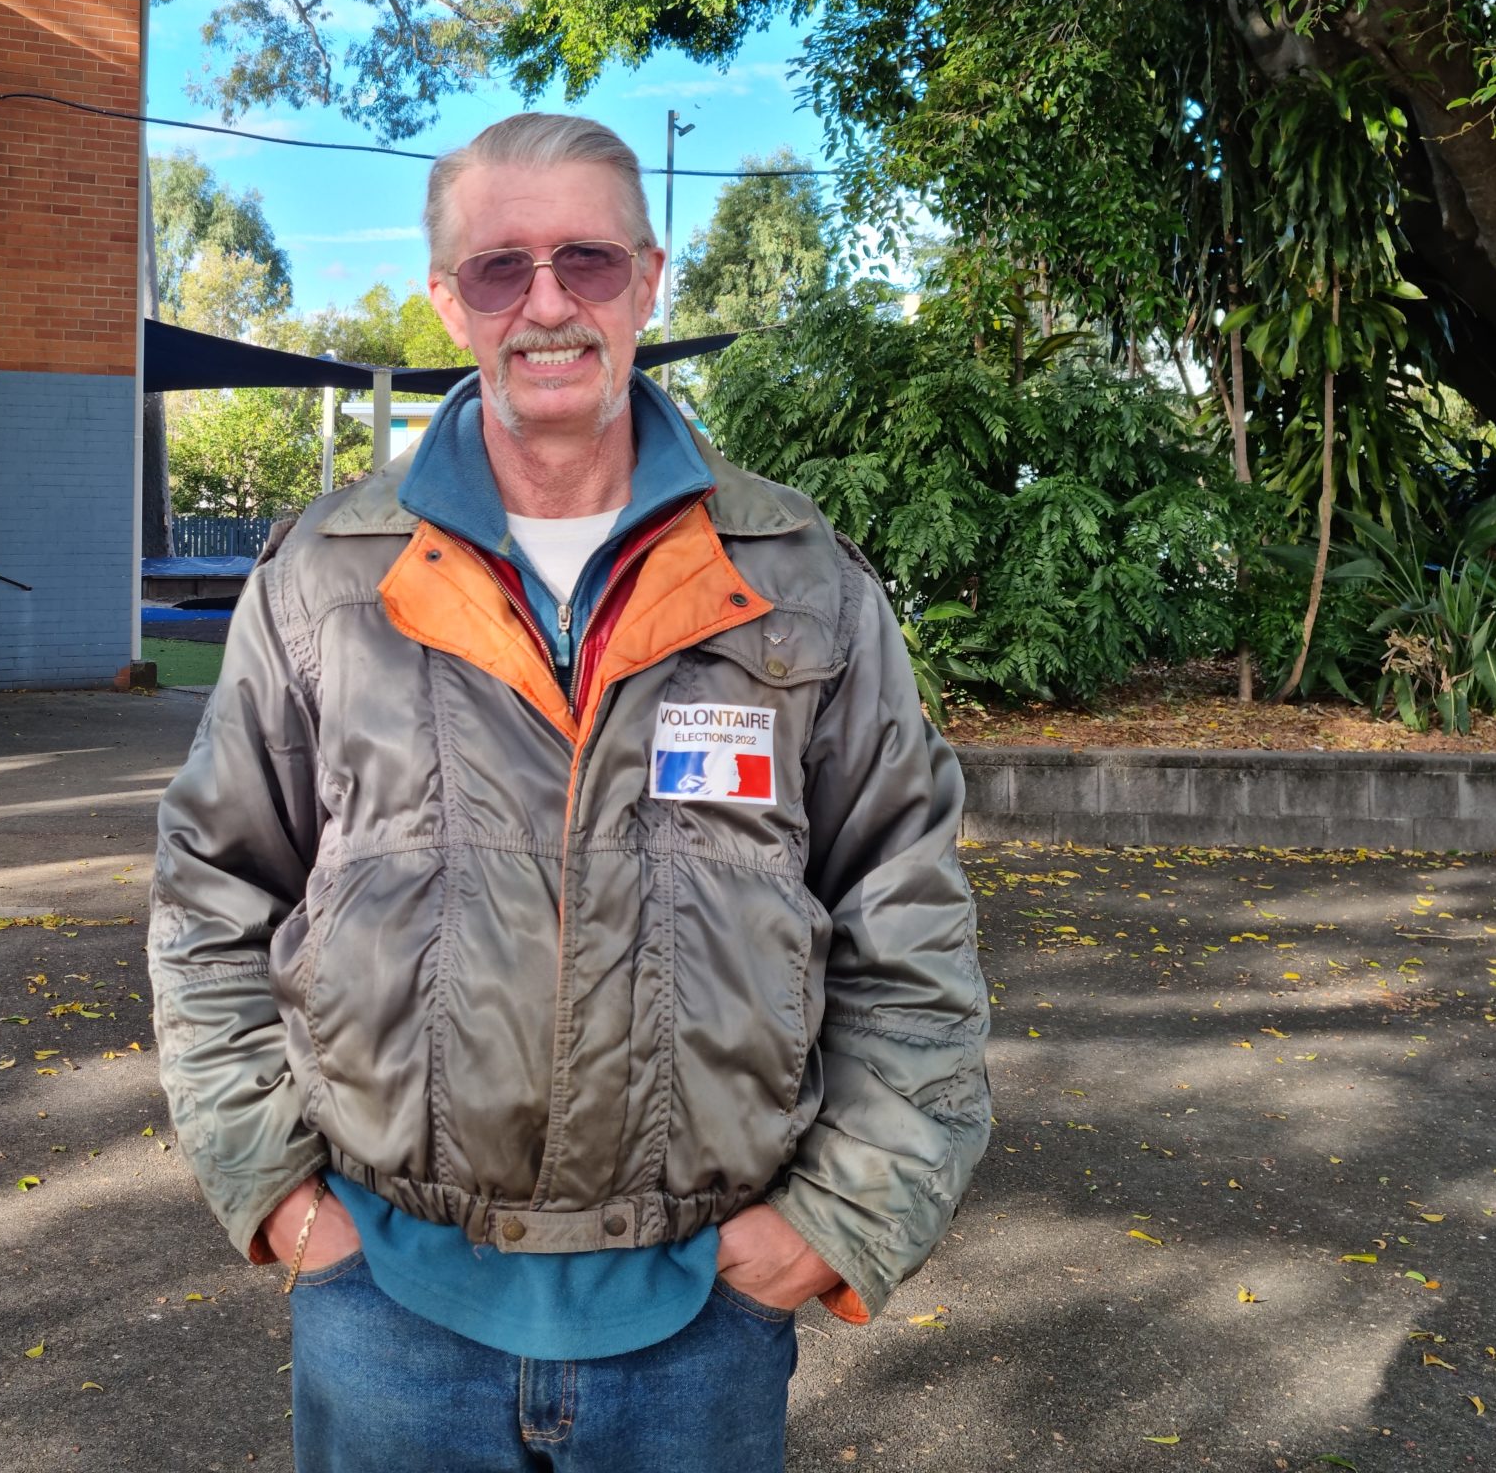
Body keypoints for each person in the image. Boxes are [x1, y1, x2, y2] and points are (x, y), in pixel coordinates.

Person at [149, 112, 990, 1471]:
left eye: (587, 261)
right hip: (389, 1308)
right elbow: (212, 893)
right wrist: (276, 1190)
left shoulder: (798, 579)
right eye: (500, 269)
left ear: (650, 281)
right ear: (447, 300)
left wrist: (842, 1213)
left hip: (699, 1326)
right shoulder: (323, 583)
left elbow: (910, 917)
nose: (547, 303)